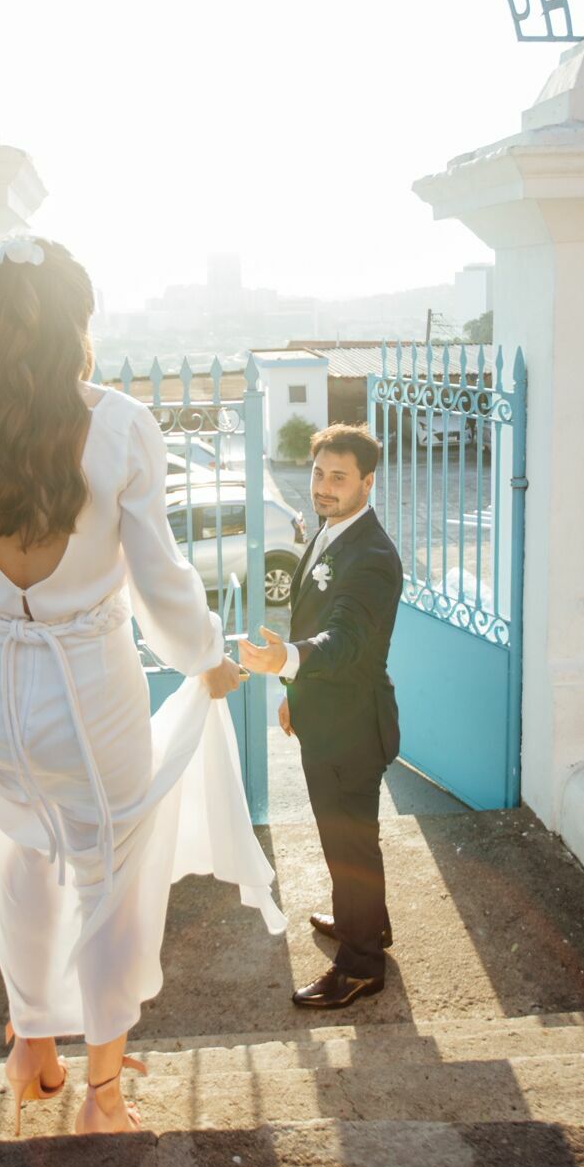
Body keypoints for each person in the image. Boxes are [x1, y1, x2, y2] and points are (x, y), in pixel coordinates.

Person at [0, 234, 284, 1137]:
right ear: (77, 322)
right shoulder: (116, 424)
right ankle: (102, 1098)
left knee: (22, 855)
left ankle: (32, 1044)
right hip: (92, 698)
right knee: (108, 874)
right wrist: (204, 656)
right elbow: (164, 581)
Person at [241, 424, 402, 1010]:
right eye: (318, 474)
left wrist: (285, 660)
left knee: (349, 843)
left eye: (339, 477)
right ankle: (369, 925)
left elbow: (347, 640)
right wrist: (295, 689)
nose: (325, 488)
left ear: (367, 482)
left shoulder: (374, 556)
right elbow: (316, 623)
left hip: (352, 727)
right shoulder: (332, 531)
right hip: (326, 713)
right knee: (348, 840)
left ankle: (361, 966)